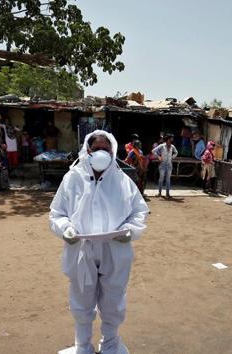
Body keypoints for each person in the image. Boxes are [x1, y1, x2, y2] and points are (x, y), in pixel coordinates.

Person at [49, 130, 149, 354]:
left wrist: (129, 231)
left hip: (115, 249)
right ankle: (82, 346)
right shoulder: (72, 178)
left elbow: (139, 212)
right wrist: (66, 229)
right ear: (87, 151)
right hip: (80, 249)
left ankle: (111, 344)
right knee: (81, 299)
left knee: (113, 299)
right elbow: (57, 213)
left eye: (106, 148)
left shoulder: (122, 181)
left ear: (113, 151)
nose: (101, 153)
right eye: (97, 149)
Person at [152, 133, 178, 198]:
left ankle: (167, 194)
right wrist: (158, 157)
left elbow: (176, 152)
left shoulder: (172, 146)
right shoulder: (162, 145)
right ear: (168, 139)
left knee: (168, 179)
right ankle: (159, 193)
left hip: (169, 165)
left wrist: (172, 157)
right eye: (171, 138)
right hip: (162, 164)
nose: (172, 139)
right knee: (161, 179)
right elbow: (153, 151)